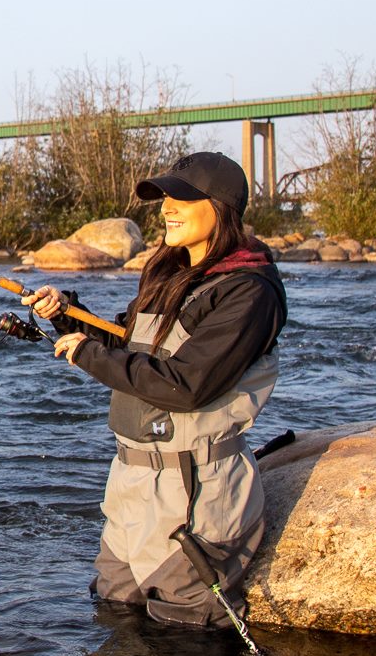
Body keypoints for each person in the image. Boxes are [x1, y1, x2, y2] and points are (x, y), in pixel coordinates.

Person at [21, 151, 286, 628]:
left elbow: (186, 385)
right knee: (114, 615)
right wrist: (64, 312)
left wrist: (86, 355)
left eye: (182, 197)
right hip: (131, 487)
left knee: (186, 642)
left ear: (221, 206)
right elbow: (129, 343)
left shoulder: (249, 291)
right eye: (164, 196)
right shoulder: (166, 272)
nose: (166, 207)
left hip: (196, 496)